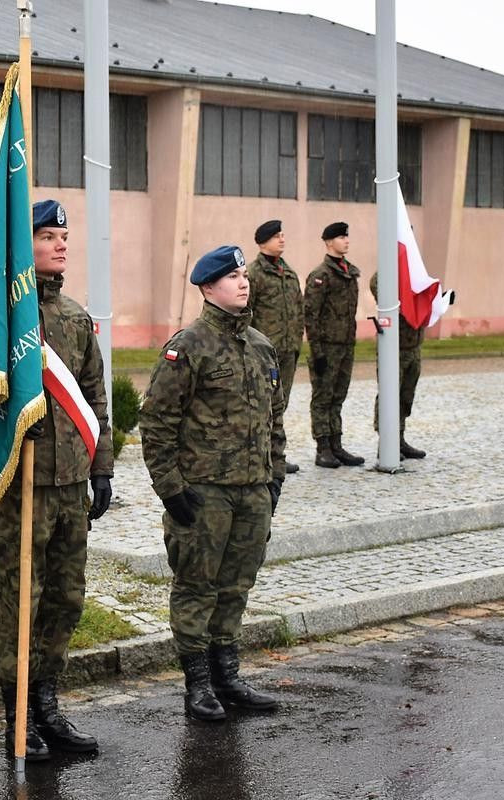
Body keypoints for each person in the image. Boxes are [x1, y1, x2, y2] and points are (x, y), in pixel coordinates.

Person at [0, 199, 113, 761]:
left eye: (64, 236)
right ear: (23, 244)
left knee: (66, 599)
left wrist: (102, 468)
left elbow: (95, 397)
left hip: (69, 485)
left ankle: (47, 705)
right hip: (22, 488)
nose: (61, 243)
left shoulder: (75, 318)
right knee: (22, 602)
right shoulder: (0, 319)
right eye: (46, 235)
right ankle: (17, 717)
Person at [140, 244, 285, 721]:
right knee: (197, 587)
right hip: (205, 493)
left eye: (244, 275)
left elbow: (275, 422)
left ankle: (228, 676)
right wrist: (171, 488)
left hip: (252, 491)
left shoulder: (262, 346)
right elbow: (158, 421)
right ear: (207, 288)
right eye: (231, 277)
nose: (243, 283)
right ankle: (197, 685)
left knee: (236, 586)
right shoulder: (189, 346)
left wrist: (273, 481)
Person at [304, 222, 364, 469]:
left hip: (345, 345)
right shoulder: (321, 275)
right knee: (322, 398)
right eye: (341, 237)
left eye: (347, 237)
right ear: (329, 242)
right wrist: (317, 351)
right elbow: (311, 314)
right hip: (326, 347)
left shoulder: (349, 272)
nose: (346, 241)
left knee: (338, 397)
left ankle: (337, 445)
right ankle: (323, 448)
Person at [247, 219, 304, 474]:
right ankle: (259, 455)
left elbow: (298, 311)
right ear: (263, 241)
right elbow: (245, 314)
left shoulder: (289, 273)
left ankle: (275, 454)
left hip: (288, 351)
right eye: (277, 236)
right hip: (263, 353)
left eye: (283, 234)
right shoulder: (253, 274)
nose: (282, 239)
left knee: (281, 404)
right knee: (262, 404)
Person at [370, 272, 427, 459]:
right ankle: (386, 442)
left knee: (405, 395)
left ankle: (399, 438)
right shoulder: (386, 272)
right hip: (394, 346)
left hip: (413, 344)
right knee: (389, 395)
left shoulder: (415, 270)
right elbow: (380, 292)